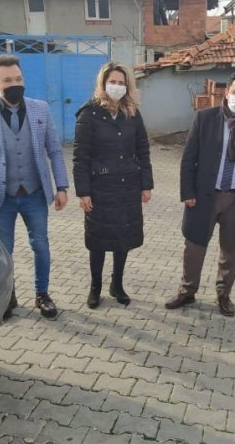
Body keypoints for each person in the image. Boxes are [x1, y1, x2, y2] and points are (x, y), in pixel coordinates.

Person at [165, 70, 235, 316]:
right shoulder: (204, 118)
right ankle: (187, 291)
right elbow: (189, 158)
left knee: (230, 251)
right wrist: (187, 192)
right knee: (194, 247)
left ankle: (223, 295)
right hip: (204, 195)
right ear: (226, 92)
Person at [0, 54, 69, 319]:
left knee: (41, 245)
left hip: (35, 194)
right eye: (7, 80)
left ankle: (42, 294)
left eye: (18, 79)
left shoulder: (40, 109)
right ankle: (8, 295)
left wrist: (61, 186)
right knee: (4, 251)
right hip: (1, 196)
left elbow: (54, 150)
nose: (14, 84)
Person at [73, 62, 153, 309]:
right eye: (112, 82)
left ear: (128, 86)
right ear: (103, 84)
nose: (117, 86)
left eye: (121, 83)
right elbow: (81, 157)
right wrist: (83, 192)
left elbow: (143, 150)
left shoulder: (132, 113)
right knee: (97, 240)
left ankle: (117, 284)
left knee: (123, 238)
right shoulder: (89, 114)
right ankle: (95, 287)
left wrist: (146, 185)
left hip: (128, 187)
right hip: (100, 189)